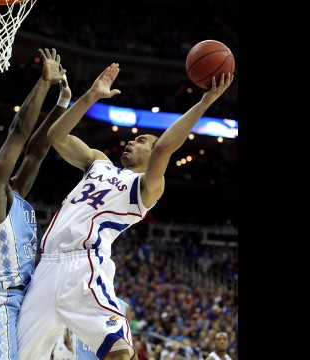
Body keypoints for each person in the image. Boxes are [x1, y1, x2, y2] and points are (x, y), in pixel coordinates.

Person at [16, 62, 233, 360]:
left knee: (118, 348)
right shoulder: (98, 161)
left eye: (141, 140)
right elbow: (57, 136)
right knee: (14, 355)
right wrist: (91, 95)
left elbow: (163, 149)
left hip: (85, 267)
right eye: (133, 139)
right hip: (46, 267)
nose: (132, 141)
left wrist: (205, 101)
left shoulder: (145, 188)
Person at [0, 47, 71, 360]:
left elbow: (36, 151)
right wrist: (43, 82)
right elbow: (18, 133)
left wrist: (61, 104)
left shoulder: (16, 194)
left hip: (22, 303)